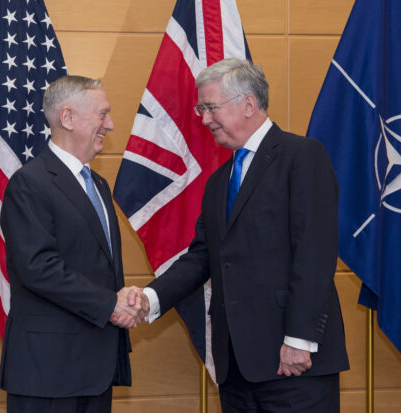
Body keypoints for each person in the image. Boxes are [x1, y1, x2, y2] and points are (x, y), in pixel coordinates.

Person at [141, 58, 349, 412]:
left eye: (210, 107)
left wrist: (299, 340)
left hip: (295, 364)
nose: (203, 119)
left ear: (248, 104)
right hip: (235, 367)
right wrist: (150, 297)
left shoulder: (301, 156)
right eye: (200, 108)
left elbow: (314, 254)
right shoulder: (219, 181)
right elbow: (203, 256)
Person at [0, 75, 148, 413]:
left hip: (96, 365)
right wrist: (111, 303)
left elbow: (99, 264)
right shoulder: (29, 184)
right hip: (48, 371)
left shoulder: (98, 183)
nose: (109, 125)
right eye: (102, 114)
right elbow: (38, 269)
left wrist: (124, 298)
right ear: (68, 118)